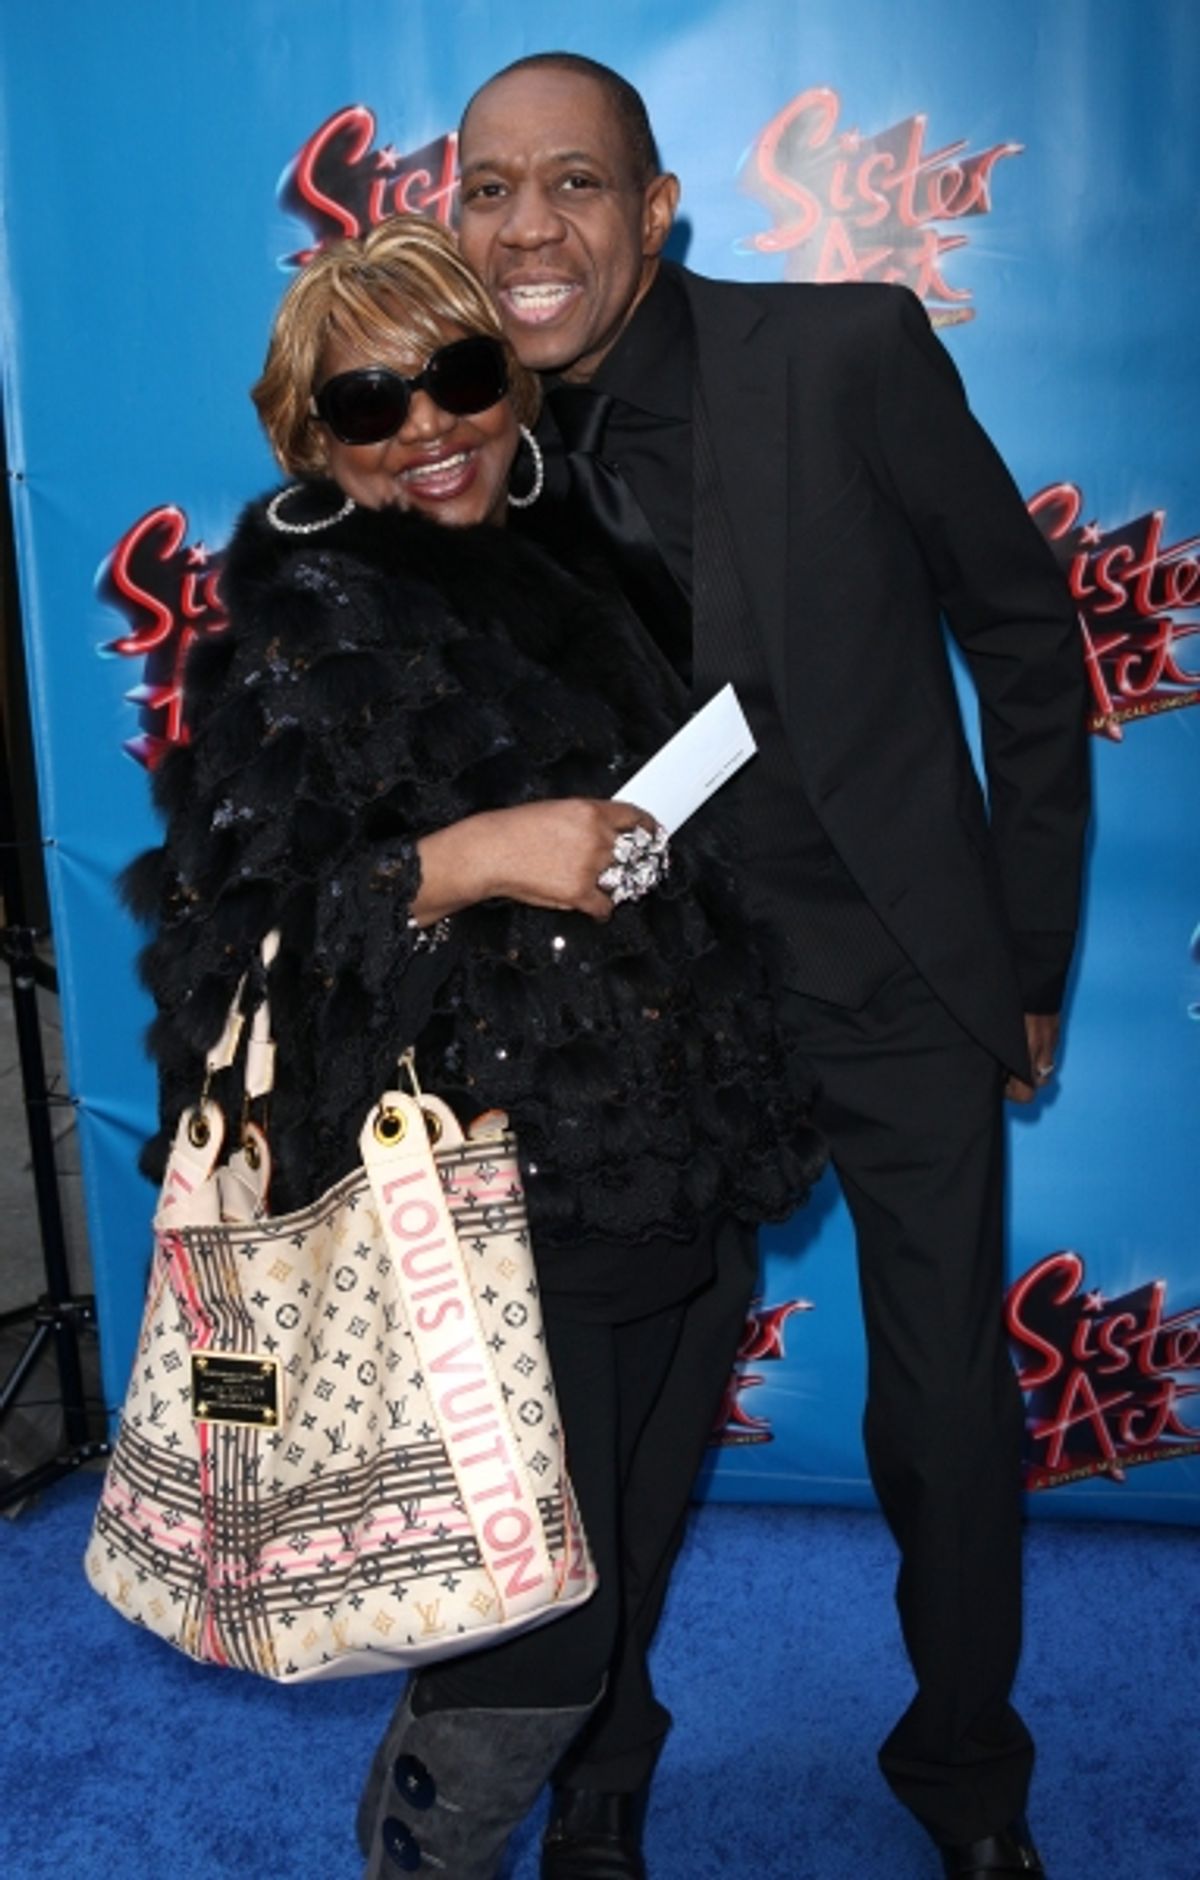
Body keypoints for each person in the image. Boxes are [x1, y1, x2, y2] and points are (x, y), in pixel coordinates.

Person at [123, 215, 822, 1879]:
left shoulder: (604, 559)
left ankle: (599, 1822)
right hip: (492, 1197)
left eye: (456, 377)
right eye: (370, 405)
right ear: (311, 437)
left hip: (680, 1144)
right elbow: (236, 957)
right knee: (532, 1623)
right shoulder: (308, 634)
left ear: (511, 378)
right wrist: (471, 856)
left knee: (631, 1558)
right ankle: (428, 1854)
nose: (427, 427)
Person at [455, 52, 1090, 1880]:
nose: (529, 227)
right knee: (618, 1429)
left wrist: (1025, 946)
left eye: (573, 183)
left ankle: (967, 1776)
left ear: (656, 209)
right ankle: (602, 1763)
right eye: (490, 189)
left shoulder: (847, 356)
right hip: (638, 1025)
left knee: (945, 1405)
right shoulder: (449, 438)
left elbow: (1028, 640)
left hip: (891, 974)